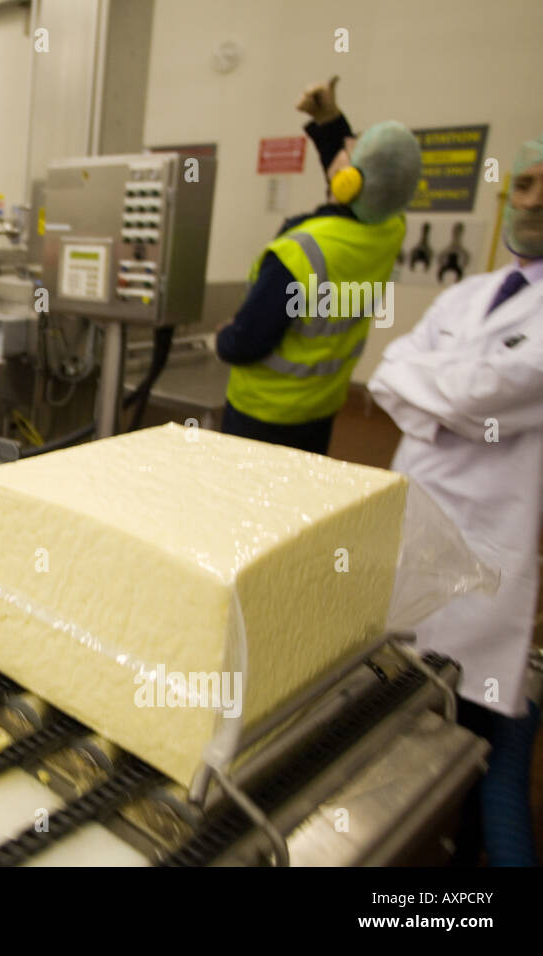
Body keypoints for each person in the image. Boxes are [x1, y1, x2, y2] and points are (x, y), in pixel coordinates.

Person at [368, 134, 543, 867]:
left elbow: (484, 392)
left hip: (489, 550)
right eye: (526, 183)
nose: (532, 200)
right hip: (415, 521)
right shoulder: (467, 293)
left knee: (482, 746)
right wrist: (444, 397)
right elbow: (388, 369)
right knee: (405, 702)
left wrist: (434, 393)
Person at [216, 77, 421, 454]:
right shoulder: (390, 229)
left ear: (350, 182)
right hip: (320, 410)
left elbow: (245, 344)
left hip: (262, 415)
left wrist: (223, 336)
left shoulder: (300, 252)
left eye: (351, 156)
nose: (341, 157)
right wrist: (330, 120)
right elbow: (350, 177)